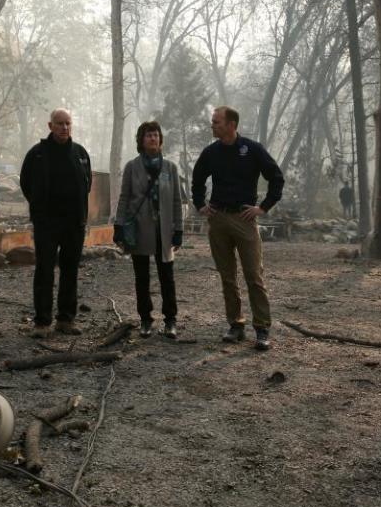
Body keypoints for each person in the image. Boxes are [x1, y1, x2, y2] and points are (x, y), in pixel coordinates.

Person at [191, 106, 284, 351]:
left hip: (244, 219)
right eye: (213, 122)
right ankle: (236, 325)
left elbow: (276, 177)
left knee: (254, 275)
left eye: (217, 122)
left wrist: (262, 208)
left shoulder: (252, 150)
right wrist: (201, 205)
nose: (213, 126)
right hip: (218, 219)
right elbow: (197, 178)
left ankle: (262, 329)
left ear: (232, 124)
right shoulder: (211, 152)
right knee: (227, 276)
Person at [20, 109, 92, 338]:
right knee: (44, 271)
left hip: (74, 223)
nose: (64, 128)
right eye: (59, 124)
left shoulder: (80, 153)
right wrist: (40, 210)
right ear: (50, 125)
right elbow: (26, 184)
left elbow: (87, 184)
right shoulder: (37, 154)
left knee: (70, 271)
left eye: (68, 123)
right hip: (46, 224)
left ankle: (65, 319)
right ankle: (42, 322)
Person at [114, 121, 183, 339]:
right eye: (148, 135)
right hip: (139, 228)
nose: (153, 138)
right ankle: (145, 319)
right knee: (141, 277)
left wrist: (178, 229)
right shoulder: (132, 166)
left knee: (167, 277)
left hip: (163, 229)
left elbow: (176, 200)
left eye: (155, 135)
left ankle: (170, 320)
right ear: (141, 140)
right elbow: (124, 197)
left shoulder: (170, 167)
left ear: (160, 139)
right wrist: (118, 226)